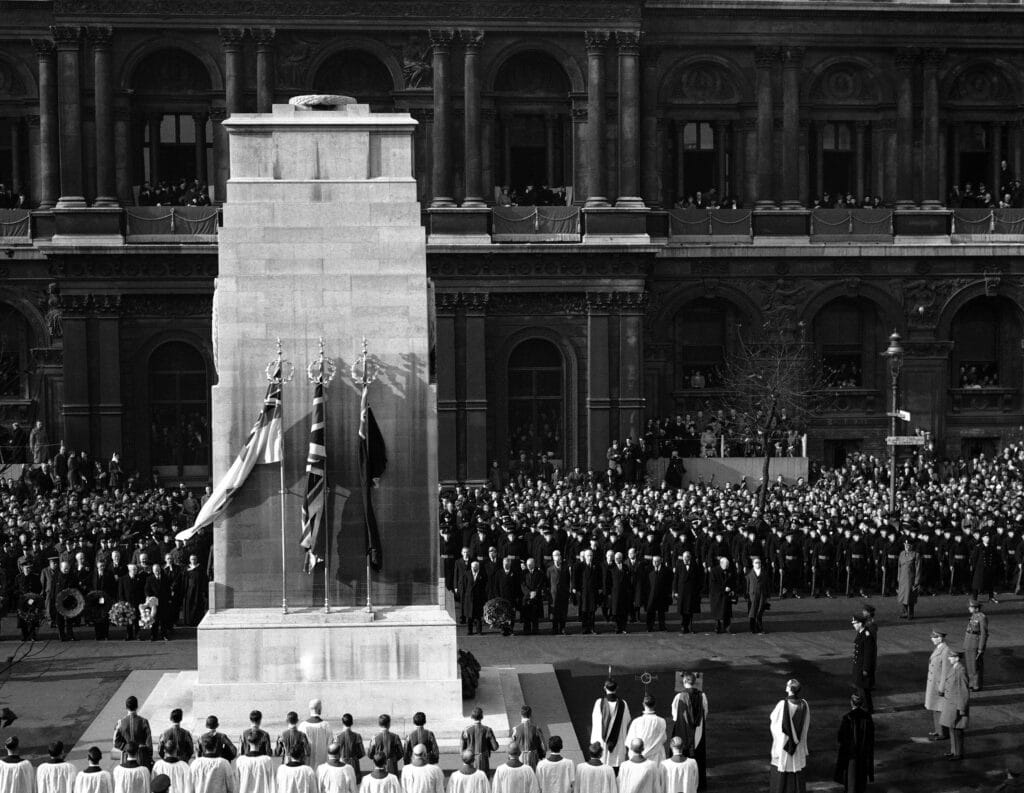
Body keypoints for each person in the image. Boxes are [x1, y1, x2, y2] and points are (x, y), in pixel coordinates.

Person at [768, 679, 810, 793]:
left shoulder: (783, 704)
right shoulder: (804, 704)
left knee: (783, 771)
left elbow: (774, 721)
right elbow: (806, 724)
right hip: (798, 744)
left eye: (787, 685)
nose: (785, 687)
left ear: (790, 689)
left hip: (784, 745)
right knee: (797, 770)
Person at [669, 673, 708, 791]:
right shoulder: (703, 696)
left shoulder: (679, 696)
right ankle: (699, 784)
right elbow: (705, 712)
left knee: (681, 751)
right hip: (698, 730)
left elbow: (675, 715)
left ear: (684, 681)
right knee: (698, 755)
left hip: (683, 729)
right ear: (694, 682)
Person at [832, 694, 874, 793]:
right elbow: (871, 737)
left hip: (851, 756)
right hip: (863, 755)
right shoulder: (867, 717)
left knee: (851, 783)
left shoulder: (848, 718)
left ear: (851, 702)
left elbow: (841, 738)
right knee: (861, 781)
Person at [590, 680, 631, 771]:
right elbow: (627, 720)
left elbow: (595, 721)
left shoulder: (599, 703)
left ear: (605, 688)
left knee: (602, 768)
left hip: (603, 742)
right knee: (616, 771)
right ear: (617, 688)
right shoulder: (623, 704)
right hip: (618, 742)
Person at [939, 649, 970, 761]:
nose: (949, 658)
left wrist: (961, 709)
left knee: (957, 732)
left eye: (951, 657)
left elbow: (964, 692)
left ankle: (958, 754)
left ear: (957, 658)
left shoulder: (960, 671)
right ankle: (954, 751)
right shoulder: (955, 668)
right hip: (951, 705)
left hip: (957, 707)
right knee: (952, 730)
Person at [925, 629, 952, 742]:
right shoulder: (939, 648)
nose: (932, 639)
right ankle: (938, 730)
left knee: (940, 709)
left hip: (938, 685)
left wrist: (942, 688)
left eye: (934, 637)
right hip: (933, 683)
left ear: (940, 638)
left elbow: (946, 671)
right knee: (935, 708)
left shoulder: (946, 651)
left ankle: (943, 732)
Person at [624, 697, 666, 765]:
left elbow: (630, 742)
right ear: (655, 705)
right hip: (655, 760)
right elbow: (664, 739)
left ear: (643, 704)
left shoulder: (636, 721)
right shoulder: (662, 721)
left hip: (641, 760)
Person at [115, 697, 154, 768]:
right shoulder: (143, 722)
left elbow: (116, 743)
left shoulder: (120, 723)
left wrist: (127, 747)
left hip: (126, 758)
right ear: (137, 706)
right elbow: (149, 744)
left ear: (126, 707)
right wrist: (150, 757)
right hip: (142, 758)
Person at [461, 707, 499, 778]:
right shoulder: (487, 730)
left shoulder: (466, 730)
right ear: (482, 716)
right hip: (483, 760)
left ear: (472, 717)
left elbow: (462, 749)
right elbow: (495, 747)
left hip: (470, 760)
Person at [850, 615, 876, 714]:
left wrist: (865, 669)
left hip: (862, 668)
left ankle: (867, 709)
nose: (854, 626)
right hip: (859, 666)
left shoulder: (867, 635)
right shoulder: (861, 633)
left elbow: (868, 655)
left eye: (855, 623)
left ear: (860, 624)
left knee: (864, 690)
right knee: (862, 689)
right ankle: (867, 708)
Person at [673, 550, 702, 634]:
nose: (686, 558)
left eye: (688, 557)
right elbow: (676, 579)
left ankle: (690, 627)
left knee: (691, 610)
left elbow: (698, 579)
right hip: (682, 591)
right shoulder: (679, 565)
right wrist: (675, 591)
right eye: (685, 557)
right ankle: (683, 627)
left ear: (690, 557)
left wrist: (698, 590)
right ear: (683, 557)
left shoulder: (695, 565)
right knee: (683, 611)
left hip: (692, 592)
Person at [963, 599, 988, 691]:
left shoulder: (982, 617)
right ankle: (971, 683)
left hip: (975, 644)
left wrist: (981, 648)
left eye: (971, 607)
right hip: (969, 643)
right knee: (969, 664)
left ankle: (977, 685)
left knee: (975, 665)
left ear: (976, 608)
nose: (969, 608)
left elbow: (984, 634)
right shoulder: (973, 616)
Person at [301, 701, 334, 769]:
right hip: (323, 764)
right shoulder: (326, 725)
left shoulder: (303, 726)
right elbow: (330, 744)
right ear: (319, 709)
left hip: (308, 765)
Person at [511, 706, 545, 770]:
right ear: (530, 714)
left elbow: (512, 746)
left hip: (520, 757)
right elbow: (544, 746)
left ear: (520, 714)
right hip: (533, 757)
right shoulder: (536, 729)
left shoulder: (515, 729)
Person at [645, 556, 672, 633]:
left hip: (662, 594)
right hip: (651, 594)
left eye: (657, 561)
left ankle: (662, 626)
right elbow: (646, 583)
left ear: (660, 561)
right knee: (650, 611)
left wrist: (668, 594)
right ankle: (649, 627)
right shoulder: (648, 570)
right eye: (654, 561)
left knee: (661, 612)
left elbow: (668, 583)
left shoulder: (666, 571)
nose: (655, 563)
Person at [335, 715, 365, 783]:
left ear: (342, 722)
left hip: (341, 763)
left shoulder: (338, 736)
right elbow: (361, 753)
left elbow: (335, 752)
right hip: (354, 763)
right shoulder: (357, 736)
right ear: (352, 722)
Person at [896, 537, 921, 619]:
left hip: (910, 578)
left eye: (908, 545)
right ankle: (904, 612)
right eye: (905, 545)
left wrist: (917, 581)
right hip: (902, 578)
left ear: (911, 546)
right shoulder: (901, 554)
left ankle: (910, 613)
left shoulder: (916, 555)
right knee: (903, 596)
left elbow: (918, 569)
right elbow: (899, 566)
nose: (907, 546)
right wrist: (898, 577)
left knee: (910, 596)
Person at [708, 558, 734, 634]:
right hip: (717, 594)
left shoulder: (729, 570)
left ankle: (727, 627)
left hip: (727, 595)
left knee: (727, 612)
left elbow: (733, 581)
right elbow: (713, 584)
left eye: (728, 566)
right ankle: (717, 626)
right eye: (726, 566)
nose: (727, 567)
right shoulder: (714, 571)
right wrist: (723, 588)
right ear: (721, 564)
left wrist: (732, 590)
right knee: (717, 612)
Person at [745, 557, 769, 634]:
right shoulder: (749, 574)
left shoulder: (764, 573)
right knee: (752, 611)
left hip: (762, 594)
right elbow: (747, 585)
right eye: (756, 562)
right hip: (752, 595)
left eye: (759, 562)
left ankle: (760, 627)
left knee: (760, 611)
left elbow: (767, 585)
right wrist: (746, 595)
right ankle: (752, 628)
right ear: (753, 564)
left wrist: (767, 595)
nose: (758, 564)